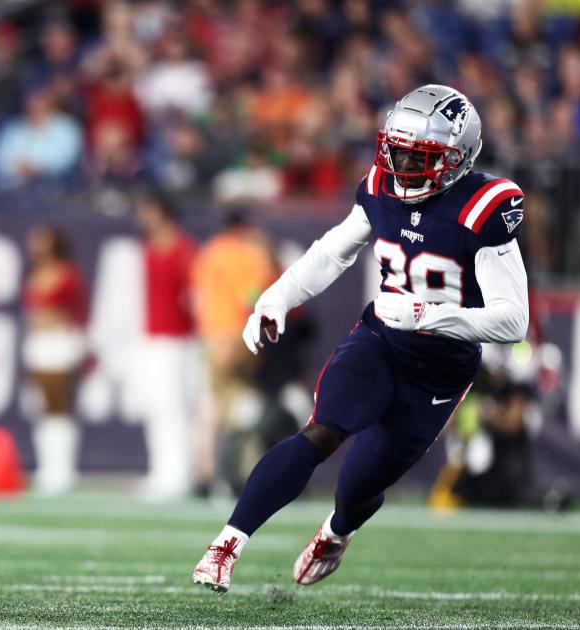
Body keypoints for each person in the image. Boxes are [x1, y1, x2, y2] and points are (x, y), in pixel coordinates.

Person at [192, 85, 529, 592]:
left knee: (358, 485)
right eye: (397, 150)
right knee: (321, 431)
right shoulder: (380, 187)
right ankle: (226, 544)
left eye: (420, 156)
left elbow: (513, 321)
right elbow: (332, 253)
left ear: (457, 159)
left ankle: (337, 531)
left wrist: (430, 314)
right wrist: (277, 297)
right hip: (381, 341)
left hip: (442, 366)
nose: (402, 165)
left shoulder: (483, 207)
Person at [190, 212, 275, 496]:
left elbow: (199, 295)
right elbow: (251, 297)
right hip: (237, 334)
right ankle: (237, 474)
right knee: (241, 405)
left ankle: (205, 473)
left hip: (210, 334)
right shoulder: (250, 255)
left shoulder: (208, 252)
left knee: (211, 404)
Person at [134, 191, 197, 501]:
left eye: (148, 210)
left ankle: (178, 473)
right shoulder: (148, 249)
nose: (143, 216)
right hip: (152, 338)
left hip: (177, 340)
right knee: (156, 406)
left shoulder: (182, 249)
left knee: (174, 408)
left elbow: (194, 296)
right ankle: (161, 471)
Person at [21, 225, 89, 495]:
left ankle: (63, 470)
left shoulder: (68, 274)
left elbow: (77, 310)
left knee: (60, 405)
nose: (37, 247)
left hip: (60, 343)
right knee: (42, 407)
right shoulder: (35, 274)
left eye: (43, 241)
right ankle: (47, 467)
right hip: (39, 343)